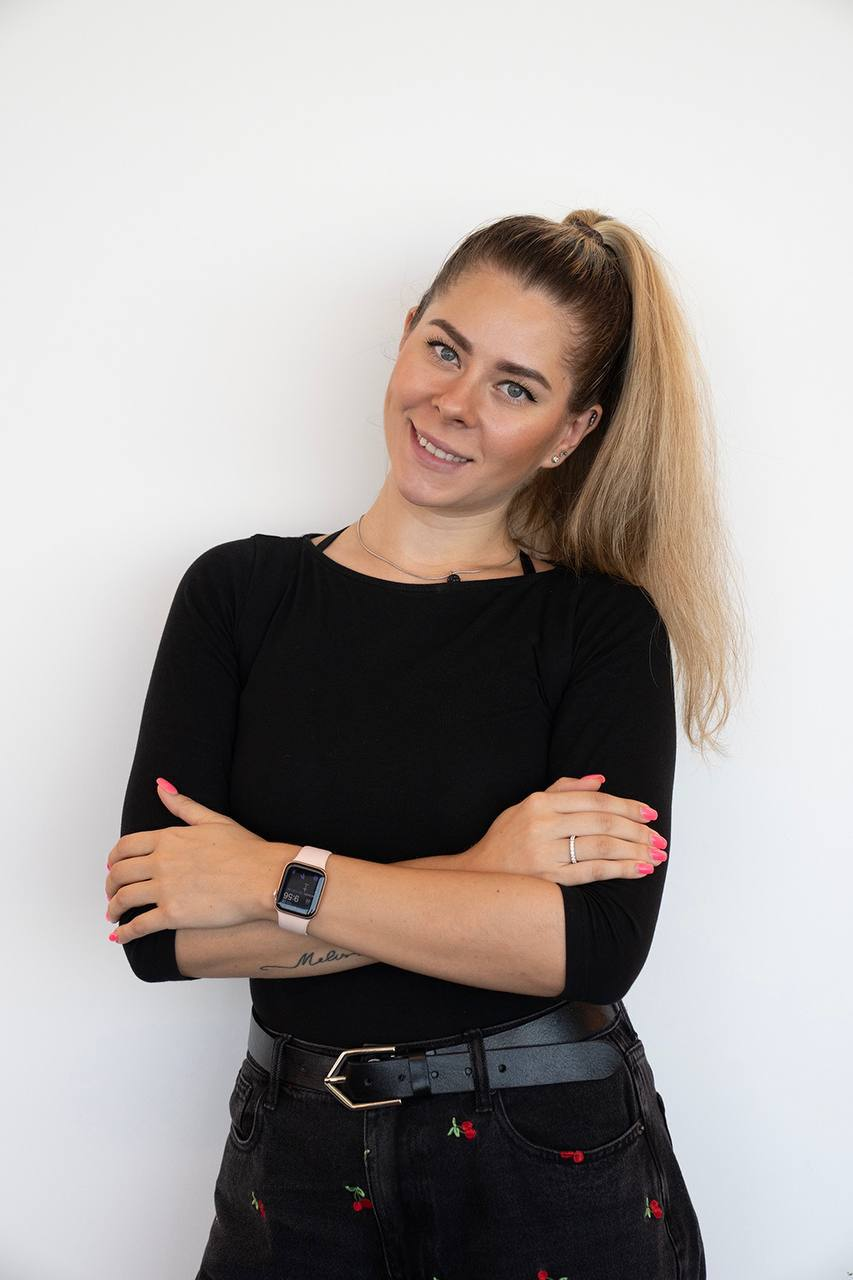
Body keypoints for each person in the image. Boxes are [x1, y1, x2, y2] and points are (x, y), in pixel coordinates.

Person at [108, 209, 745, 1279]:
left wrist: (266, 877)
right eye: (446, 349)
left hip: (543, 1143)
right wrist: (484, 872)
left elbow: (590, 947)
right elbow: (157, 932)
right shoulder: (236, 595)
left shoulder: (599, 628)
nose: (454, 403)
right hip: (293, 1151)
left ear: (570, 432)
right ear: (406, 333)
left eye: (516, 387)